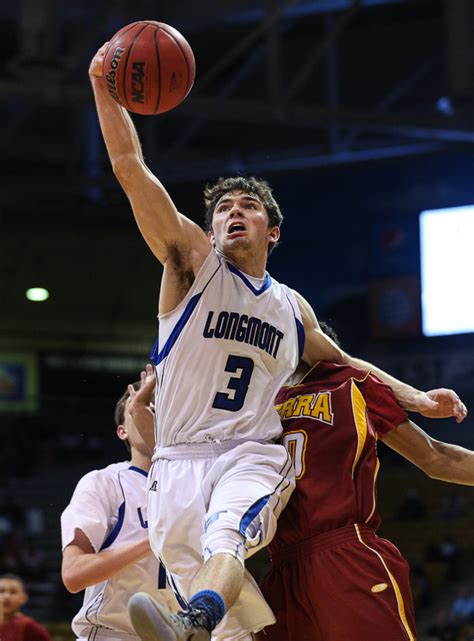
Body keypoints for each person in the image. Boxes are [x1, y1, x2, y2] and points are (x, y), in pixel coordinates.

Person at [88, 42, 467, 641]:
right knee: (233, 623)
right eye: (223, 210)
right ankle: (200, 624)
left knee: (229, 533)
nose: (234, 214)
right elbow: (131, 168)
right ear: (209, 228)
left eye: (249, 207)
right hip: (176, 461)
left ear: (274, 229)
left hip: (249, 452)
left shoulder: (292, 307)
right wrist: (102, 87)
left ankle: (197, 614)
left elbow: (346, 363)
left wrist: (418, 398)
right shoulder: (192, 265)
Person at [258, 323, 474, 641]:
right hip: (281, 567)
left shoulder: (351, 381)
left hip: (345, 554)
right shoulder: (260, 401)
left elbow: (434, 457)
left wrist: (414, 398)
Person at [60, 368, 177, 641]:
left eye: (158, 407)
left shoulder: (193, 487)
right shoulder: (104, 482)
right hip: (112, 635)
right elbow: (74, 575)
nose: (150, 415)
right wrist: (151, 541)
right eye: (143, 407)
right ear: (122, 431)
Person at [0, 574, 51, 641]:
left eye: (13, 592)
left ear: (23, 598)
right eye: (1, 591)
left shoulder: (31, 628)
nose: (6, 596)